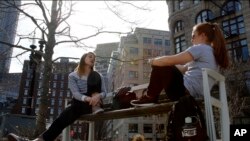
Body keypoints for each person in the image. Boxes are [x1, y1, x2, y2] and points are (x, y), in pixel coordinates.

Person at [7, 52, 107, 141]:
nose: (93, 58)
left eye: (94, 57)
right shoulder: (73, 76)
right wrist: (88, 98)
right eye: (90, 56)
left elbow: (104, 93)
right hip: (80, 104)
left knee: (94, 78)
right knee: (60, 121)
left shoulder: (98, 76)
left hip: (95, 105)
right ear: (83, 59)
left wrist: (97, 96)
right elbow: (76, 94)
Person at [131, 22, 229, 106]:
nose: (192, 40)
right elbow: (182, 68)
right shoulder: (211, 53)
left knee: (161, 63)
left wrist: (153, 61)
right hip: (192, 94)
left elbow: (173, 60)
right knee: (162, 64)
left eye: (193, 36)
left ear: (203, 35)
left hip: (184, 92)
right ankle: (150, 96)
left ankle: (150, 97)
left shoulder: (201, 48)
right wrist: (160, 70)